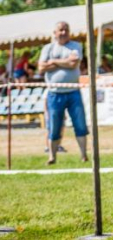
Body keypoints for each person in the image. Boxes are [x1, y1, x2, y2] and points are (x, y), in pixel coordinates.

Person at [37, 21, 89, 165]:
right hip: (54, 94)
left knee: (80, 124)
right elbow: (41, 67)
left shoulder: (76, 46)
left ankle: (84, 155)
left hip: (73, 92)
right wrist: (63, 61)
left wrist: (53, 62)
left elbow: (74, 64)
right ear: (55, 32)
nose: (64, 32)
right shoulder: (48, 48)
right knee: (54, 126)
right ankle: (52, 156)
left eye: (66, 29)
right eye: (61, 30)